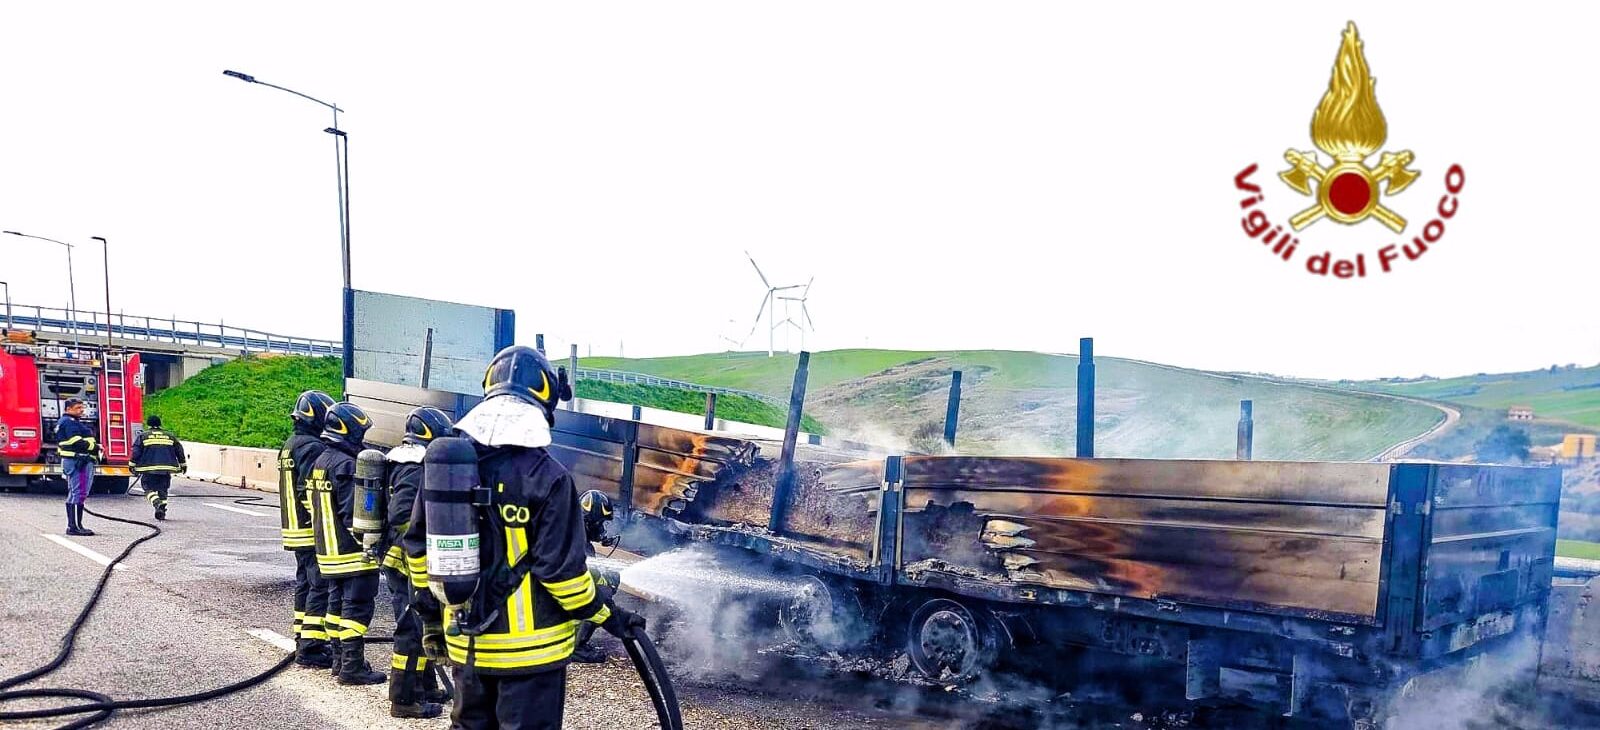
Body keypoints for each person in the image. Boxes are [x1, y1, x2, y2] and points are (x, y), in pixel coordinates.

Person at [402, 345, 645, 730]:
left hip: (468, 646)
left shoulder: (449, 468)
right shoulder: (549, 478)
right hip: (531, 660)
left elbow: (419, 550)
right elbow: (562, 577)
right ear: (544, 402)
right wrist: (608, 614)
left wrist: (432, 618)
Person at [380, 406, 454, 719]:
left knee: (422, 624)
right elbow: (401, 515)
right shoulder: (414, 464)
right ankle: (404, 699)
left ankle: (425, 687)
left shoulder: (403, 459)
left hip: (406, 558)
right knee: (411, 629)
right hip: (406, 561)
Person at [308, 401, 388, 685]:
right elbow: (352, 511)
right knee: (356, 608)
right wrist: (371, 543)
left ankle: (340, 661)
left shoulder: (321, 460)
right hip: (352, 554)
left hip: (327, 554)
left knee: (335, 606)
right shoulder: (346, 464)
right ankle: (353, 667)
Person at [280, 390, 337, 669]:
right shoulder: (312, 448)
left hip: (294, 528)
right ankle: (312, 648)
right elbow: (310, 490)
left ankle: (303, 636)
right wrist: (327, 525)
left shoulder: (291, 443)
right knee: (320, 586)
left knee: (305, 583)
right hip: (310, 528)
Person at [569, 489, 621, 664]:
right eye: (600, 524)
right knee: (602, 594)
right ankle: (575, 647)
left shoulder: (575, 532)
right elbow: (587, 576)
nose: (601, 529)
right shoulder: (578, 540)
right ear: (589, 521)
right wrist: (610, 582)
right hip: (558, 599)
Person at [55, 398, 100, 537]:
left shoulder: (69, 422)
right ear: (68, 409)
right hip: (78, 461)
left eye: (82, 407)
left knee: (76, 492)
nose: (82, 410)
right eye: (78, 407)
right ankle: (73, 527)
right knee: (78, 493)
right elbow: (76, 441)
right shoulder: (69, 422)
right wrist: (95, 447)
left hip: (76, 461)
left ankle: (77, 525)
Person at [130, 415, 186, 520]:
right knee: (163, 489)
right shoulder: (170, 435)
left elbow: (136, 451)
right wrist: (183, 464)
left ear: (149, 424)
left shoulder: (143, 436)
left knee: (147, 488)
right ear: (160, 424)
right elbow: (179, 450)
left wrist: (132, 464)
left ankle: (156, 502)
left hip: (149, 469)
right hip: (165, 469)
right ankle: (162, 509)